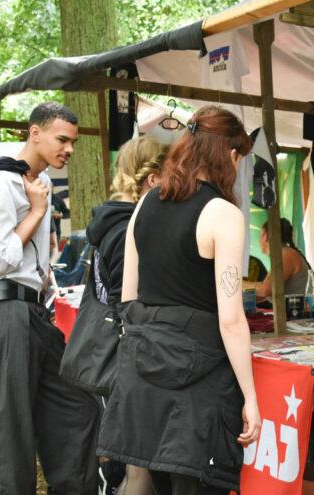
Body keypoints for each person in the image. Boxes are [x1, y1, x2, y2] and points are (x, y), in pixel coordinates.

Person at [97, 106, 261, 495]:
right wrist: (251, 397)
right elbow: (231, 319)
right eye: (239, 159)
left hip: (144, 369)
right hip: (199, 383)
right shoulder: (223, 213)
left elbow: (130, 296)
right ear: (230, 155)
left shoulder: (145, 204)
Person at [0, 102, 100, 493]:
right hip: (0, 308)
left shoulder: (34, 183)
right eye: (62, 139)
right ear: (35, 133)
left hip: (33, 314)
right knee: (8, 434)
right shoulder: (0, 182)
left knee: (79, 409)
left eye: (73, 142)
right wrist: (36, 212)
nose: (69, 149)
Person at [80, 136, 167, 494]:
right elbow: (125, 302)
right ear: (151, 179)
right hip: (126, 358)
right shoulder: (124, 228)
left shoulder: (117, 222)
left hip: (124, 356)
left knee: (138, 462)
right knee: (139, 466)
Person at [248, 218, 314, 304]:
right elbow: (265, 293)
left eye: (260, 236)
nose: (259, 241)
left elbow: (265, 290)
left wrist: (240, 284)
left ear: (265, 236)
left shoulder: (286, 254)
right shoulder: (282, 254)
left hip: (307, 315)